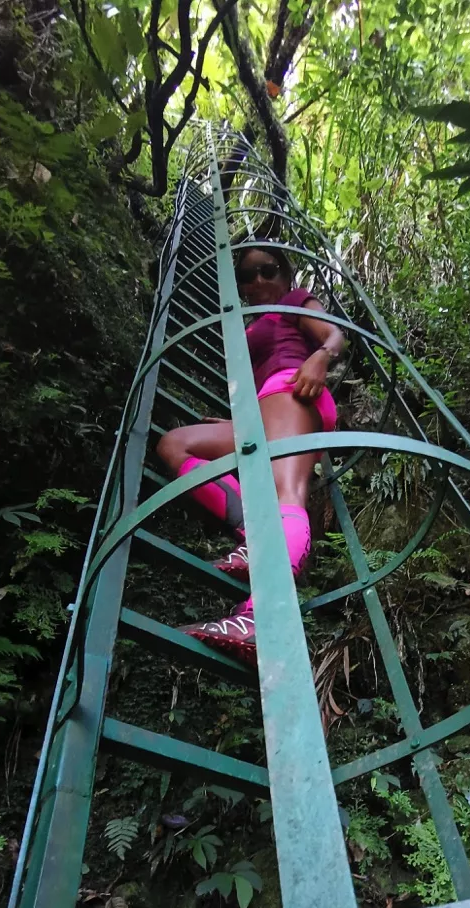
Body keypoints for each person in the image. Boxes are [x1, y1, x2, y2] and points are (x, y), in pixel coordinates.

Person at [156, 245, 345, 663]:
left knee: (286, 493)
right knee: (175, 444)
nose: (258, 281)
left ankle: (260, 619)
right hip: (262, 410)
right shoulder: (253, 324)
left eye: (268, 270)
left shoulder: (296, 301)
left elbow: (335, 334)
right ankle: (257, 536)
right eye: (248, 276)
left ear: (286, 276)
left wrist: (320, 358)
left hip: (293, 389)